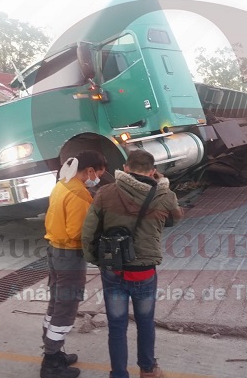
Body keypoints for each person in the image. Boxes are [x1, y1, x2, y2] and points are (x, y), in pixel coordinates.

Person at [81, 150, 184, 378]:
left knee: (117, 326)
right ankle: (147, 369)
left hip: (113, 270)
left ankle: (119, 374)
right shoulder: (165, 196)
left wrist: (96, 260)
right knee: (145, 322)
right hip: (144, 272)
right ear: (152, 172)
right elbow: (175, 219)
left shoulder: (105, 192)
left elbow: (88, 232)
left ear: (125, 168)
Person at [41, 150, 107, 378]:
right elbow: (78, 232)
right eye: (98, 173)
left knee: (56, 302)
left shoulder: (62, 185)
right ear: (89, 171)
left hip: (55, 250)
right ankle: (51, 363)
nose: (97, 178)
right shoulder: (79, 194)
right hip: (70, 255)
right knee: (67, 306)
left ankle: (53, 350)